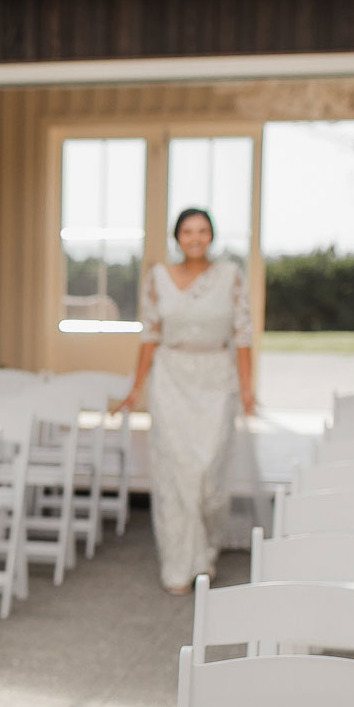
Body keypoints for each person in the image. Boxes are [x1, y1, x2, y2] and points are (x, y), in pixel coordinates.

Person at [112, 208, 255, 594]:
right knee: (176, 473)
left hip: (215, 377)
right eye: (188, 231)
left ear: (211, 236)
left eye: (202, 231)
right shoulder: (157, 277)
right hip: (171, 378)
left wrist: (247, 388)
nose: (195, 238)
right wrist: (134, 387)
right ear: (177, 237)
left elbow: (243, 336)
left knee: (208, 473)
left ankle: (205, 550)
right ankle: (178, 564)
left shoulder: (231, 276)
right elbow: (149, 336)